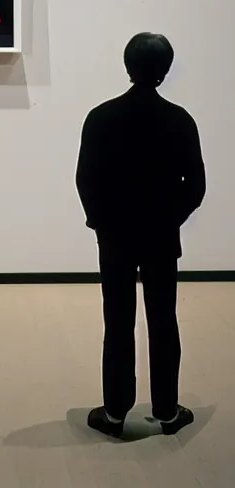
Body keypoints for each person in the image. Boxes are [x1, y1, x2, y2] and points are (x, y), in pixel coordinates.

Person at [75, 32, 206, 438]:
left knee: (117, 320)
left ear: (127, 65)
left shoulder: (102, 117)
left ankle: (114, 412)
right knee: (163, 318)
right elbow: (196, 186)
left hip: (114, 236)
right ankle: (167, 410)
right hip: (161, 236)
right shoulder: (179, 119)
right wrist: (170, 218)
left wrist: (99, 220)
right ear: (165, 70)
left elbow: (86, 180)